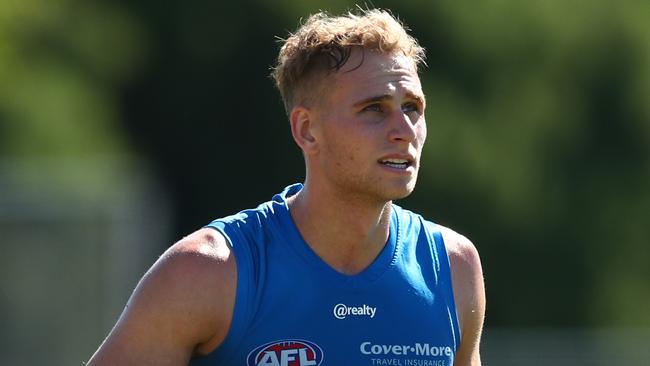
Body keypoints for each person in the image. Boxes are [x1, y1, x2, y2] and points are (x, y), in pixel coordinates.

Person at [87, 8, 485, 366]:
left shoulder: (454, 269)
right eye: (374, 109)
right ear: (307, 130)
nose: (404, 131)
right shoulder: (207, 272)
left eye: (413, 108)